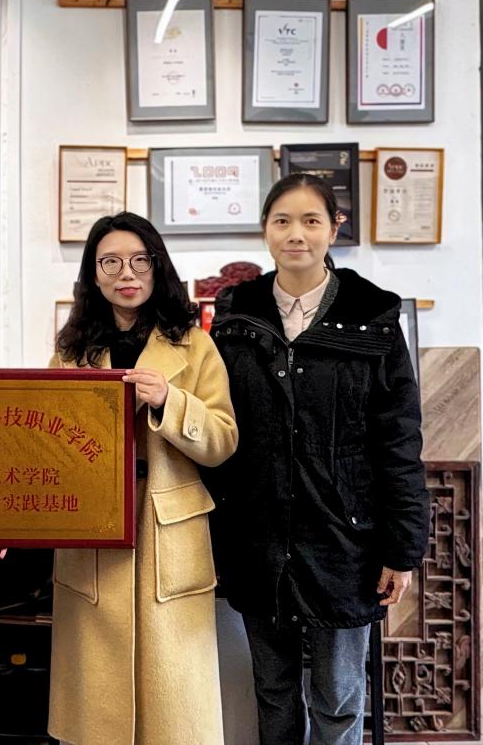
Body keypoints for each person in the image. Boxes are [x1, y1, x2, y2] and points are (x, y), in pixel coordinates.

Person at [208, 173, 429, 745]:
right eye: (282, 221)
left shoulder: (373, 316)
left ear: (334, 229)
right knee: (273, 691)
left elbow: (399, 441)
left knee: (337, 698)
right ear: (265, 229)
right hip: (257, 535)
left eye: (311, 221)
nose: (296, 235)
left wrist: (402, 550)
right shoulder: (235, 315)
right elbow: (218, 427)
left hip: (345, 541)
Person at [47, 211, 238, 745]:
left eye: (138, 260)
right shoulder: (71, 352)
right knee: (96, 708)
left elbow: (223, 440)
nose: (125, 273)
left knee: (174, 706)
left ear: (157, 267)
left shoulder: (195, 345)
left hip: (167, 532)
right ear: (93, 274)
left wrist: (169, 401)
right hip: (93, 531)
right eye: (109, 262)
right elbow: (48, 442)